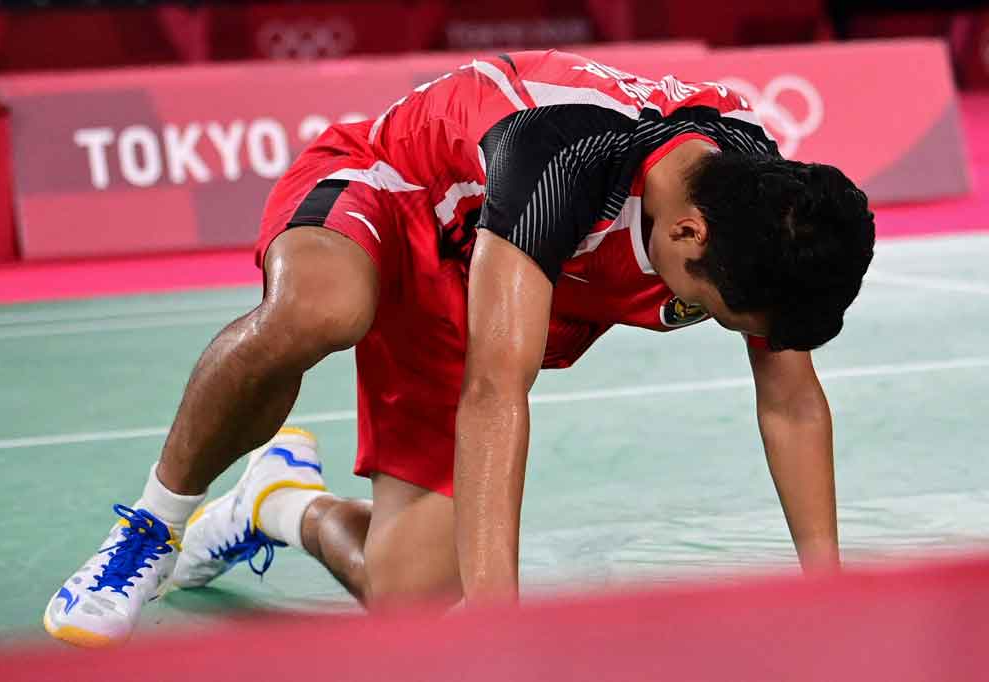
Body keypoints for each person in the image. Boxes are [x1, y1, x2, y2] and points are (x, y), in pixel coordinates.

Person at [43, 49, 875, 647]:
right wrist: (498, 632)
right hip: (390, 190)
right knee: (318, 310)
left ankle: (278, 502)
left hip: (481, 290)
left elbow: (791, 400)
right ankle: (151, 528)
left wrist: (828, 598)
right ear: (687, 234)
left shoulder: (765, 207)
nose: (725, 326)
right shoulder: (564, 163)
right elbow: (496, 395)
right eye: (718, 314)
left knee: (405, 597)